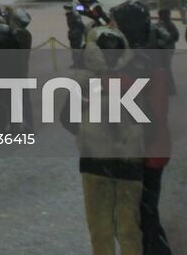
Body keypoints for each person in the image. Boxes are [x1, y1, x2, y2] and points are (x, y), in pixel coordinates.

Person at [66, 27, 144, 255]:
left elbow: (67, 119)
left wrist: (88, 129)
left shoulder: (85, 84)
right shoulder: (133, 79)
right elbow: (146, 120)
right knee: (128, 228)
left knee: (100, 229)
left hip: (95, 163)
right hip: (129, 163)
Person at [110, 0, 172, 255]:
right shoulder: (146, 57)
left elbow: (142, 119)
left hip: (139, 153)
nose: (108, 27)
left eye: (114, 23)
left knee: (137, 221)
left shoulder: (134, 66)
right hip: (151, 151)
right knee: (144, 215)